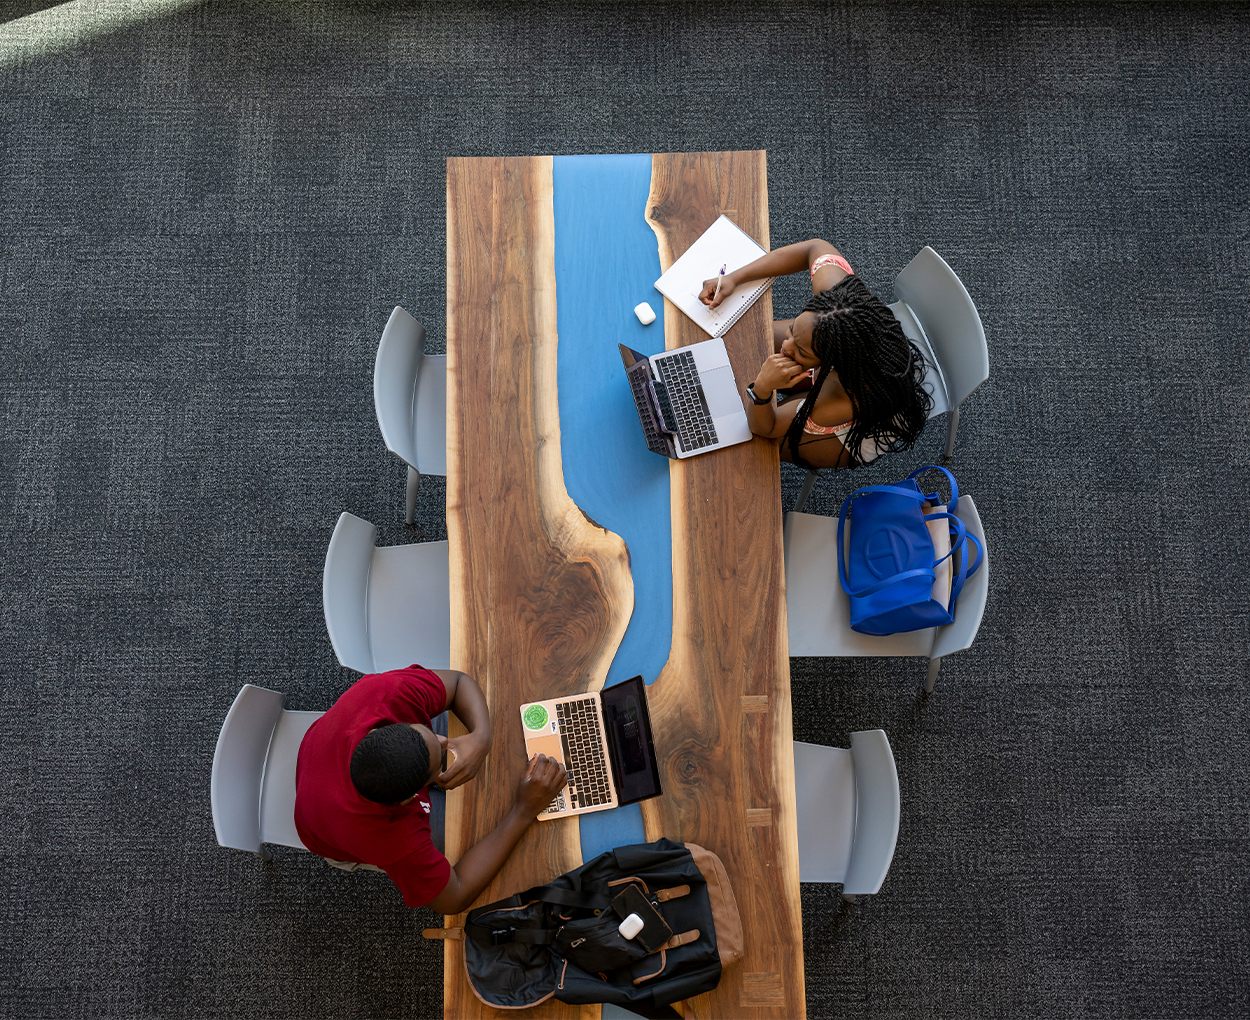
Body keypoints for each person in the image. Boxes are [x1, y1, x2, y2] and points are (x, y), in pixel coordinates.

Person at [294, 664, 567, 914]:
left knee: (487, 738)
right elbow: (454, 896)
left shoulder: (386, 695)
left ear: (390, 727)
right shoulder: (393, 839)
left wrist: (481, 737)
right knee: (474, 829)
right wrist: (524, 810)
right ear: (408, 801)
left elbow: (459, 682)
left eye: (429, 735)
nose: (444, 740)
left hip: (320, 758)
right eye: (439, 763)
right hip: (323, 832)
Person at [699, 239, 931, 470]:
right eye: (792, 332)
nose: (786, 347)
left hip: (854, 428)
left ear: (832, 362)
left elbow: (765, 427)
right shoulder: (836, 303)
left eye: (799, 350)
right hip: (843, 361)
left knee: (752, 442)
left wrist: (762, 389)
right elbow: (814, 247)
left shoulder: (838, 400)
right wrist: (734, 278)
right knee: (751, 338)